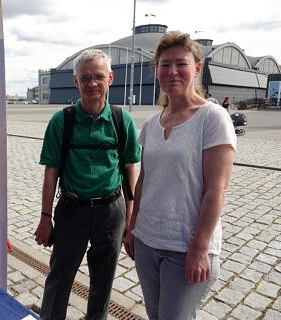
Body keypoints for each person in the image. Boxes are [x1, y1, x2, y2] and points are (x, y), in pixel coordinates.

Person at [123, 31, 236, 319]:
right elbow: (145, 180)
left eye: (181, 64)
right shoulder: (151, 124)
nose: (172, 71)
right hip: (148, 243)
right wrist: (133, 227)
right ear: (157, 70)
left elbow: (216, 190)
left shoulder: (212, 118)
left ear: (197, 68)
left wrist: (200, 248)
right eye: (165, 64)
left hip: (185, 247)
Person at [34, 49, 141, 320]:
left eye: (98, 77)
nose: (92, 83)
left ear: (110, 79)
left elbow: (130, 169)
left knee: (103, 281)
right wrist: (46, 218)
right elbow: (51, 172)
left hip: (111, 211)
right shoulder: (62, 120)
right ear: (76, 82)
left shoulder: (122, 120)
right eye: (85, 78)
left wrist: (130, 218)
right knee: (60, 277)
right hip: (72, 210)